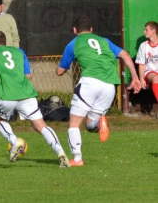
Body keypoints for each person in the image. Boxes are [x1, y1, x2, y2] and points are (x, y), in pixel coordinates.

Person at [56, 16, 141, 167]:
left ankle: (77, 159)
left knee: (74, 123)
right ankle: (100, 122)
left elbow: (60, 71)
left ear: (74, 30)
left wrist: (60, 68)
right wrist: (135, 78)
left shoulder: (73, 44)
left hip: (90, 82)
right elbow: (125, 55)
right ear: (91, 30)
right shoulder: (104, 41)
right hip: (110, 85)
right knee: (90, 124)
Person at [0, 30, 70, 167]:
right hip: (27, 94)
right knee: (41, 125)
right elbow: (28, 76)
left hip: (6, 95)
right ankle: (60, 151)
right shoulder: (19, 52)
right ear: (6, 42)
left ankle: (14, 141)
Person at [135, 21, 158, 101]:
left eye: (146, 30)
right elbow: (141, 64)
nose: (144, 32)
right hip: (150, 73)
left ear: (153, 31)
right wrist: (141, 78)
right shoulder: (144, 45)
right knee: (156, 78)